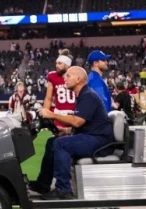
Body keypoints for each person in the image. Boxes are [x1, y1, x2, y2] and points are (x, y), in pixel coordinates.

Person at [33, 67, 115, 200]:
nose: (64, 79)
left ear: (78, 79)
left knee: (61, 144)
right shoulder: (83, 95)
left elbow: (77, 122)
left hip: (100, 141)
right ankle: (42, 185)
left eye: (68, 76)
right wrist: (65, 130)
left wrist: (52, 114)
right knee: (51, 142)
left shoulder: (88, 96)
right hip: (92, 136)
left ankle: (64, 190)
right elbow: (86, 125)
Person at [43, 50, 76, 130]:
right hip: (58, 116)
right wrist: (45, 114)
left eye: (60, 63)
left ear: (68, 65)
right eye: (56, 63)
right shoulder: (52, 76)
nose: (57, 65)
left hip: (73, 116)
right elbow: (48, 98)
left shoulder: (76, 75)